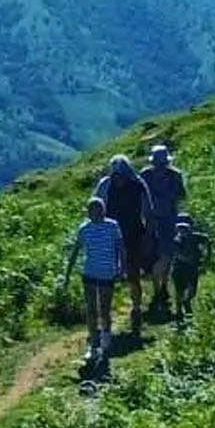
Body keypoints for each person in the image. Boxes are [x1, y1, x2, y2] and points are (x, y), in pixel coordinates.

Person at [63, 196, 125, 372]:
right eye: (92, 210)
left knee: (104, 309)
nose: (95, 213)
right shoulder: (84, 229)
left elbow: (121, 248)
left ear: (103, 210)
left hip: (107, 273)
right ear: (88, 212)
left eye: (98, 209)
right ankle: (93, 344)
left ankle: (106, 341)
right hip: (89, 273)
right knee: (91, 309)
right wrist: (67, 274)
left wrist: (122, 267)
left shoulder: (112, 226)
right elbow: (76, 251)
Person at [95, 155, 154, 336]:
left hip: (133, 235)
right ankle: (105, 314)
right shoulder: (106, 185)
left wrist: (149, 235)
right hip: (111, 235)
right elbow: (96, 207)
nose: (117, 177)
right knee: (107, 275)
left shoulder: (137, 185)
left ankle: (136, 307)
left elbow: (147, 211)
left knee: (133, 274)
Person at [140, 144, 186, 316]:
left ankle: (162, 287)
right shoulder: (145, 175)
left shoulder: (175, 175)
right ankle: (159, 288)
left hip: (168, 220)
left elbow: (182, 196)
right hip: (151, 221)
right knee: (154, 257)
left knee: (166, 255)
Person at [170, 214, 211, 326]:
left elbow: (207, 240)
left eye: (185, 228)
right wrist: (189, 258)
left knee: (192, 291)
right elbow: (177, 254)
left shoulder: (197, 237)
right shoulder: (176, 240)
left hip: (192, 269)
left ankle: (186, 302)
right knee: (179, 291)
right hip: (179, 268)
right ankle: (179, 312)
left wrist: (207, 257)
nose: (183, 231)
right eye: (180, 228)